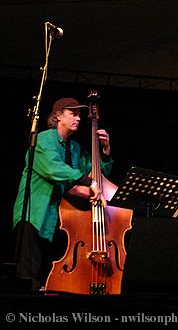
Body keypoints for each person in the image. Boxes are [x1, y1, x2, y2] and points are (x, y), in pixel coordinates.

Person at [12, 97, 112, 291]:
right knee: (28, 276)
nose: (79, 119)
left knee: (48, 276)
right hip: (35, 214)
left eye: (80, 115)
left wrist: (105, 151)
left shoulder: (74, 148)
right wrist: (88, 182)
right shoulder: (44, 139)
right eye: (73, 114)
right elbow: (53, 168)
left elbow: (95, 173)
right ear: (58, 116)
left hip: (59, 218)